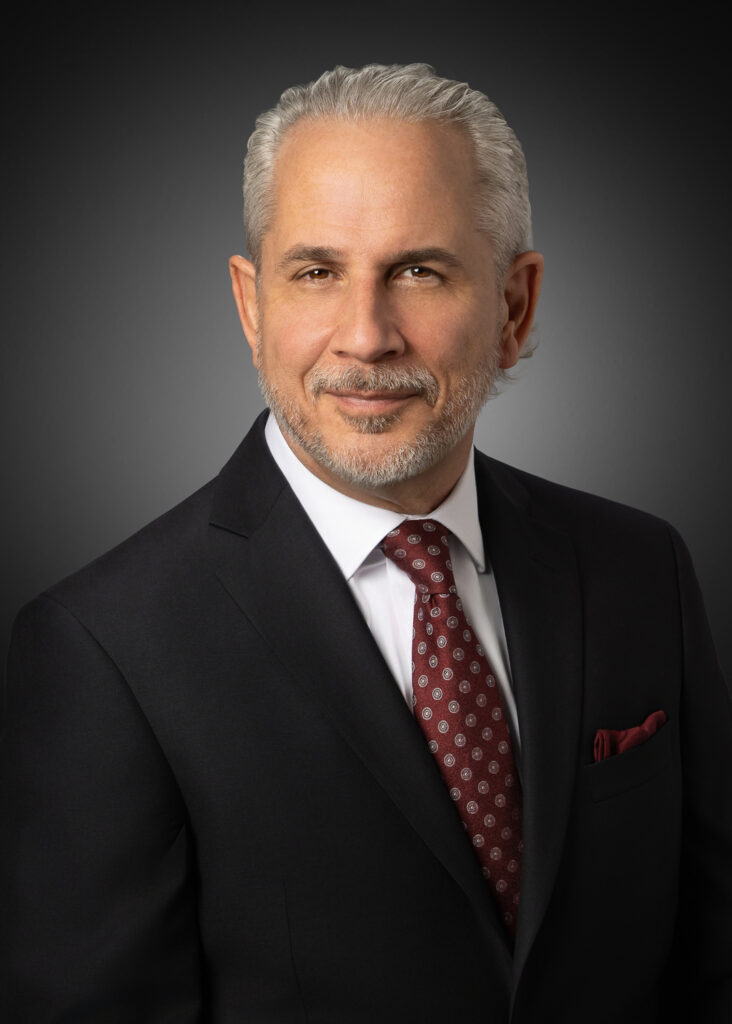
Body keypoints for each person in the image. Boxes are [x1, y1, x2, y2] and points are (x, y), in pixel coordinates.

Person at [1, 63, 730, 1024]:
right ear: (252, 306)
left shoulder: (642, 569)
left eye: (418, 271)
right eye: (316, 273)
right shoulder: (102, 649)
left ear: (515, 307)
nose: (366, 336)